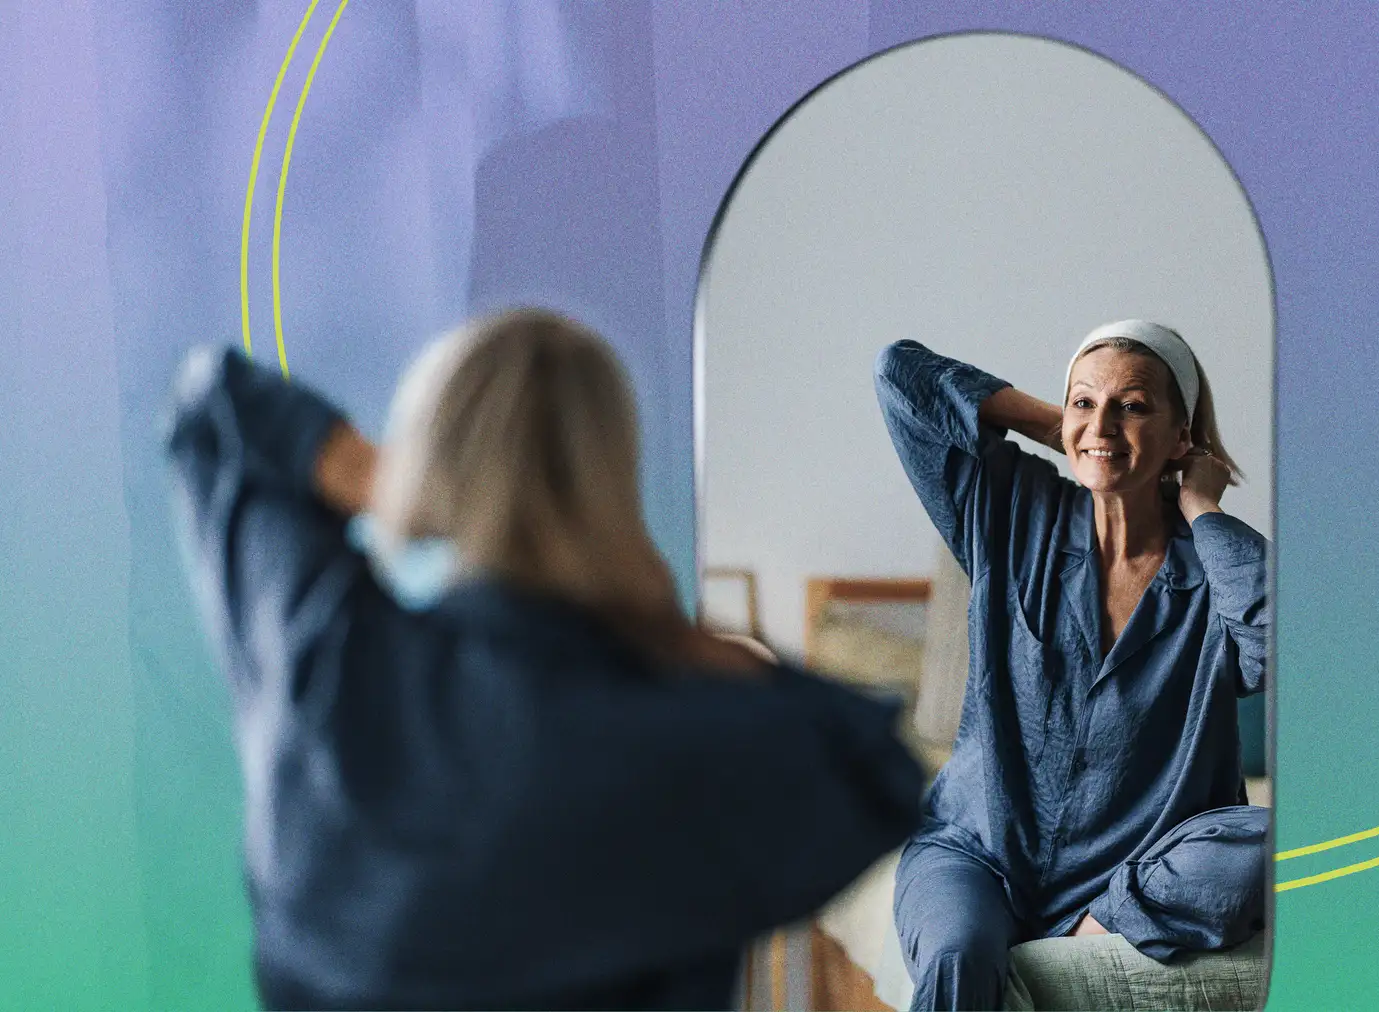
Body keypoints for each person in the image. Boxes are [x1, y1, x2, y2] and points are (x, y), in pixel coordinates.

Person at [163, 308, 924, 1011]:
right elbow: (878, 772)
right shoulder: (689, 746)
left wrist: (387, 484)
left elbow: (214, 411)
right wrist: (666, 630)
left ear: (437, 464)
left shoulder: (331, 664)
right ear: (610, 480)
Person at [875, 321, 1268, 1011]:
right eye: (1087, 400)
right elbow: (899, 376)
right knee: (959, 954)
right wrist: (1066, 427)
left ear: (1182, 438)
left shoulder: (1211, 571)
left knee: (1280, 838)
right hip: (978, 853)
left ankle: (1112, 917)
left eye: (1135, 405)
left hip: (1129, 871)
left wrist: (1202, 508)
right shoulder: (1012, 510)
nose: (1105, 422)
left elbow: (1275, 644)